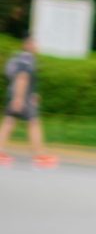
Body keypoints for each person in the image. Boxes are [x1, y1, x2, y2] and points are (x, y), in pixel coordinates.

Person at [2, 40, 55, 168]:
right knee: (34, 123)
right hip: (22, 96)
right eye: (34, 43)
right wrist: (19, 98)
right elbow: (22, 77)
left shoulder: (21, 57)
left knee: (10, 121)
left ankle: (39, 153)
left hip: (19, 94)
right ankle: (40, 155)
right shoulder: (27, 58)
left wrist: (32, 94)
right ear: (27, 45)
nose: (37, 46)